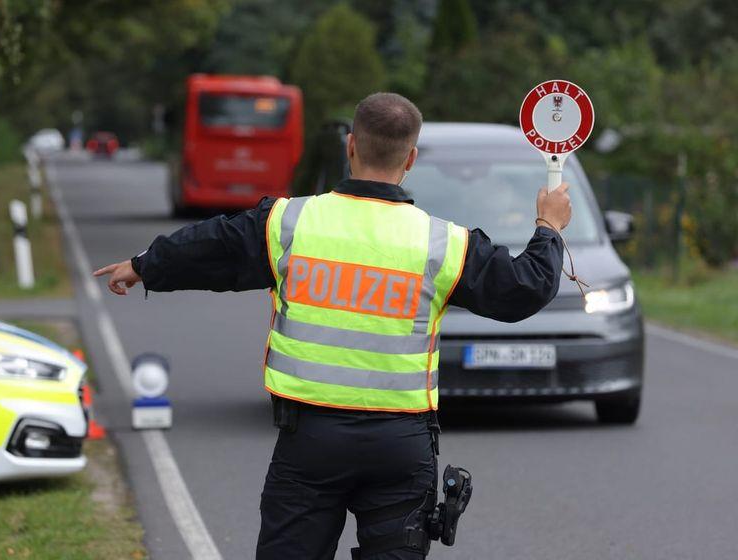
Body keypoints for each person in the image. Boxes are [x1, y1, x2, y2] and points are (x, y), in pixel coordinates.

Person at [94, 92, 571, 559]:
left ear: (349, 148)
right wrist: (548, 227)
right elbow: (524, 289)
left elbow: (211, 247)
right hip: (400, 448)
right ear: (411, 159)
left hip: (310, 442)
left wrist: (144, 265)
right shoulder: (442, 243)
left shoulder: (289, 223)